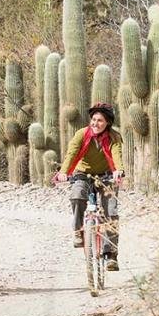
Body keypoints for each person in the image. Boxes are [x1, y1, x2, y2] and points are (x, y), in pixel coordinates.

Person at [54, 102, 125, 271]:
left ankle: (111, 254)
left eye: (100, 120)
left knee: (111, 211)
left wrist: (119, 170)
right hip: (83, 173)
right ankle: (78, 230)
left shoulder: (114, 137)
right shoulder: (82, 134)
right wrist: (64, 172)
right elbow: (71, 154)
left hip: (106, 175)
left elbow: (117, 155)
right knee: (77, 195)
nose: (95, 123)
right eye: (94, 119)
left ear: (107, 123)